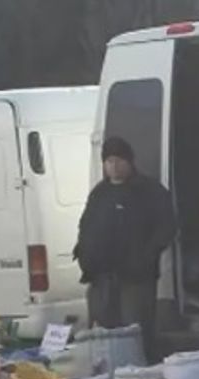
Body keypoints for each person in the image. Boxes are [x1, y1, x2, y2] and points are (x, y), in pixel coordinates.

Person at [74, 137, 176, 363]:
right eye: (109, 161)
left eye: (119, 160)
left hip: (136, 279)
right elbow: (86, 226)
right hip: (100, 278)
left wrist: (145, 257)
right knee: (104, 333)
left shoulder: (149, 191)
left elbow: (166, 228)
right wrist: (84, 257)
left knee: (136, 332)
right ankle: (112, 378)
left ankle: (143, 373)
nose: (114, 166)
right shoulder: (99, 194)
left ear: (130, 162)